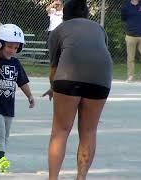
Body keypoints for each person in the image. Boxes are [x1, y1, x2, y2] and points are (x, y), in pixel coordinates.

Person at [42, 0, 113, 179]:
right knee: (89, 131)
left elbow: (54, 70)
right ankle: (81, 177)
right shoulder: (99, 29)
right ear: (87, 14)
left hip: (67, 78)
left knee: (60, 131)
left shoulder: (58, 31)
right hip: (101, 78)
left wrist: (54, 88)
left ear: (64, 15)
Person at [0, 24, 35, 172]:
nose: (12, 50)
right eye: (9, 46)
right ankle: (1, 158)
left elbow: (22, 81)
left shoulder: (15, 63)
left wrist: (29, 95)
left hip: (8, 106)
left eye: (16, 47)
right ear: (0, 44)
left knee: (5, 135)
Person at [121, 0, 141, 83]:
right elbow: (123, 19)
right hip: (130, 36)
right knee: (130, 57)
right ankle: (130, 75)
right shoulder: (125, 6)